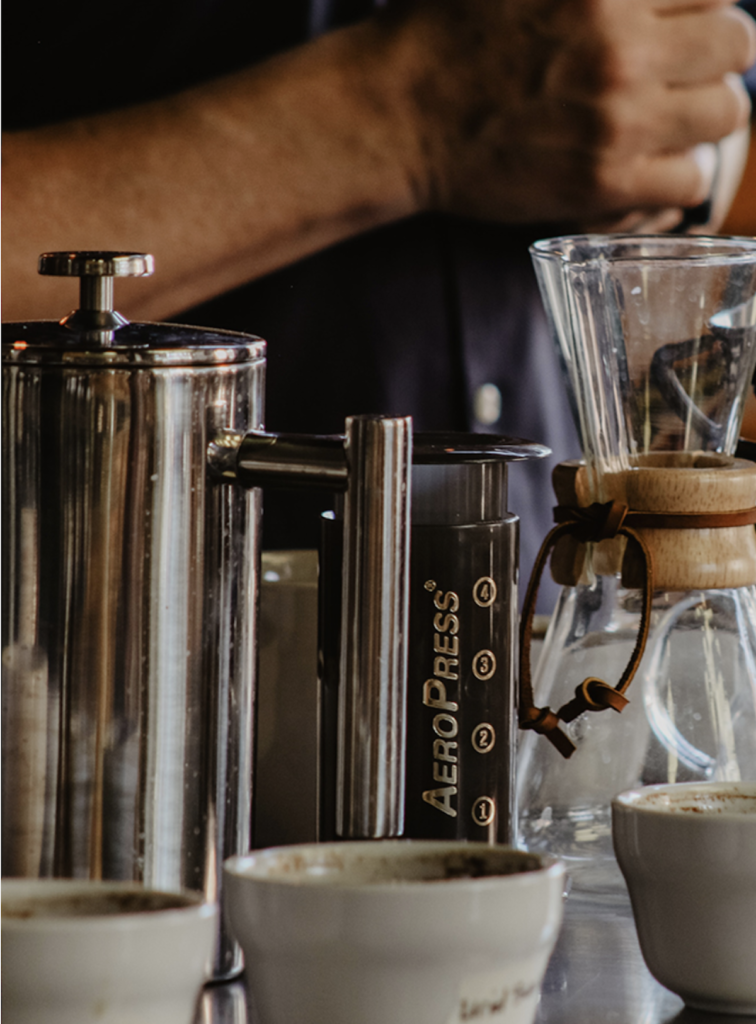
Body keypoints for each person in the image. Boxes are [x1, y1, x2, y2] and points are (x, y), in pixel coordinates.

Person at [3, 0, 756, 606]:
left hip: (537, 625)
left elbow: (709, 96)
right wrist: (410, 111)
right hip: (114, 656)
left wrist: (662, 141)